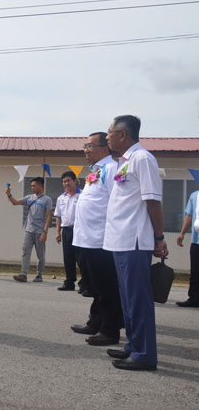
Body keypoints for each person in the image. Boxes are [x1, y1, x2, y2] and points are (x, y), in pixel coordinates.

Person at [104, 115, 167, 371]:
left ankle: (144, 355)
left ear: (123, 134)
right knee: (128, 299)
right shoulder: (124, 162)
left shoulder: (142, 159)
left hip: (135, 240)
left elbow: (153, 201)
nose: (107, 137)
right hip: (121, 240)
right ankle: (133, 345)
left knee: (138, 299)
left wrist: (159, 237)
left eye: (110, 133)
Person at [70, 132, 124, 346]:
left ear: (104, 148)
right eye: (84, 145)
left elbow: (117, 202)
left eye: (89, 146)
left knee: (106, 287)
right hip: (85, 239)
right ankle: (95, 321)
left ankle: (110, 330)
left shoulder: (112, 169)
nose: (85, 150)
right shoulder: (96, 171)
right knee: (93, 285)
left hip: (100, 241)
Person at [6, 177, 52, 282]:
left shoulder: (47, 199)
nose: (32, 187)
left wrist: (45, 232)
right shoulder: (29, 197)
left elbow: (49, 216)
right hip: (29, 230)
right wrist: (9, 194)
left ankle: (39, 275)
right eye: (31, 185)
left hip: (40, 231)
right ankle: (23, 274)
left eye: (34, 185)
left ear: (41, 186)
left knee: (40, 255)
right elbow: (15, 202)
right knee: (25, 252)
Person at [54, 171, 81, 291]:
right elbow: (58, 216)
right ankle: (69, 282)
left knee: (81, 257)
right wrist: (57, 232)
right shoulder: (61, 198)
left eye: (68, 180)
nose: (66, 183)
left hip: (80, 230)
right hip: (66, 231)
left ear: (75, 181)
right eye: (64, 182)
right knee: (68, 257)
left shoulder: (83, 195)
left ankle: (84, 283)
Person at [176, 189, 199, 307]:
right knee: (195, 271)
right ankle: (194, 298)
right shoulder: (194, 195)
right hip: (196, 240)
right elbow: (189, 216)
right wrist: (182, 233)